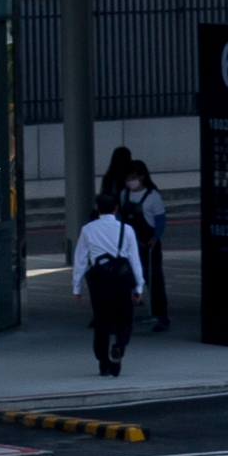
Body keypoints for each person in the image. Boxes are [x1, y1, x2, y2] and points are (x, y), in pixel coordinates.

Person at [73, 190, 144, 377]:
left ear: (97, 208)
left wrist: (77, 287)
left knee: (101, 323)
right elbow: (135, 260)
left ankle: (103, 362)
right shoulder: (126, 229)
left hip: (100, 281)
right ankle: (119, 346)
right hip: (121, 279)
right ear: (116, 208)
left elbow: (80, 260)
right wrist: (138, 287)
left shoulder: (88, 230)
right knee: (124, 320)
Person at [104, 148, 170, 332]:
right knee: (125, 282)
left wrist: (155, 237)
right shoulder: (124, 194)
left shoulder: (152, 196)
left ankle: (161, 317)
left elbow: (160, 219)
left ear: (141, 177)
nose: (130, 180)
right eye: (127, 177)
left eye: (133, 177)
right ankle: (123, 319)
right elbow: (119, 217)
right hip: (128, 245)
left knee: (154, 281)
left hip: (148, 245)